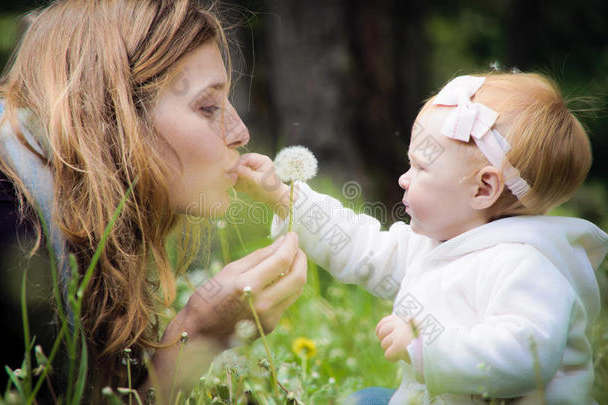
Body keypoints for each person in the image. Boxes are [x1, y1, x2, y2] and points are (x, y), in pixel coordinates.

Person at [0, 0, 307, 403]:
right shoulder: (13, 230)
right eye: (208, 106)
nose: (240, 132)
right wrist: (197, 334)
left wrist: (201, 335)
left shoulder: (71, 227)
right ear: (117, 117)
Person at [236, 73, 608, 404]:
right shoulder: (436, 244)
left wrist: (425, 348)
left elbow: (526, 355)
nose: (404, 178)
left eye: (421, 166)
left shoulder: (529, 267)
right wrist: (284, 198)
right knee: (363, 400)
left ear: (484, 188)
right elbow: (362, 246)